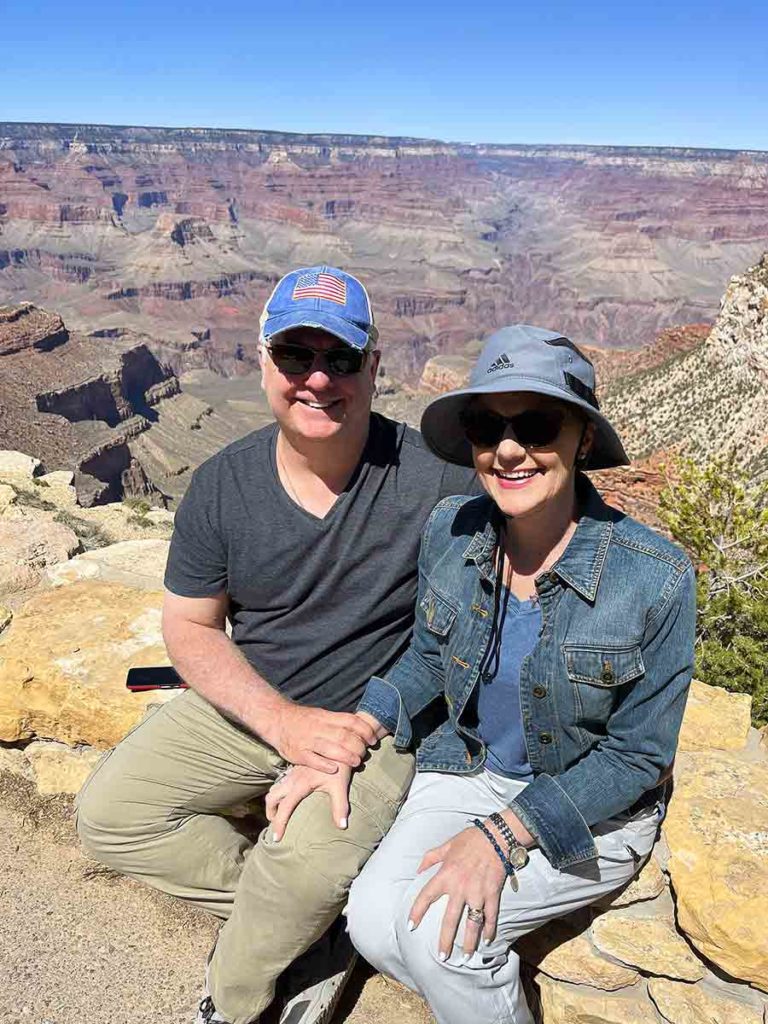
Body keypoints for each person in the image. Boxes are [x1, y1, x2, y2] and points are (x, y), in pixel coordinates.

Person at [75, 265, 477, 1024]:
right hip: (252, 704)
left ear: (376, 368)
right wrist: (281, 723)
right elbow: (191, 628)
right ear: (260, 363)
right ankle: (310, 927)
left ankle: (231, 1001)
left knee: (308, 866)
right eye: (295, 356)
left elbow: (541, 523)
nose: (318, 379)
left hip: (370, 727)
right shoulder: (223, 483)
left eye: (342, 359)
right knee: (108, 816)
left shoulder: (437, 478)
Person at [266, 324, 696, 1024]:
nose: (507, 450)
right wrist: (356, 729)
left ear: (583, 440)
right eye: (485, 426)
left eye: (536, 424)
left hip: (587, 809)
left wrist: (504, 835)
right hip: (467, 769)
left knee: (448, 941)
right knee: (374, 921)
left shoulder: (652, 577)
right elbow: (430, 657)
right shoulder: (454, 528)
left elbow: (637, 756)